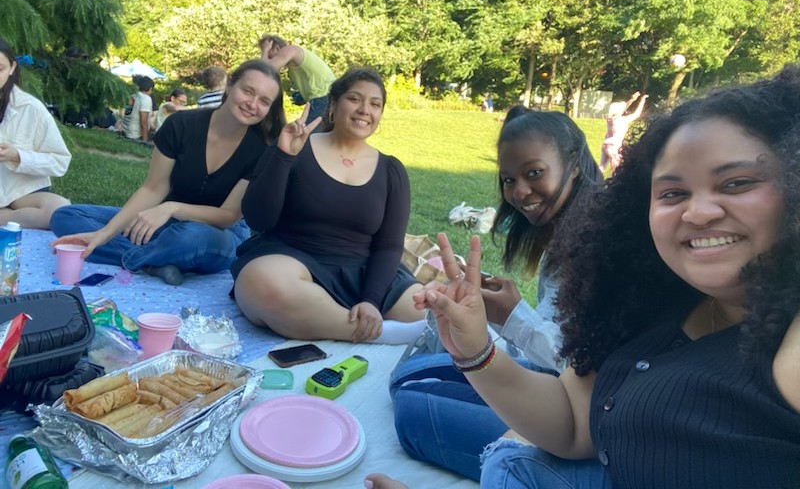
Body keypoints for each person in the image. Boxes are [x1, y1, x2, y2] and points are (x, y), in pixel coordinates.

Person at [413, 67, 800, 489]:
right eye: (672, 193)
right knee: (409, 383)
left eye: (736, 182)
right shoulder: (653, 298)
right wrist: (474, 350)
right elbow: (575, 423)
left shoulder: (787, 349)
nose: (699, 211)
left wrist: (514, 320)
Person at [390, 107, 603, 480]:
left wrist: (512, 318)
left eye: (534, 173)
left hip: (578, 417)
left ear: (574, 164)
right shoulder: (566, 233)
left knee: (410, 409)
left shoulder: (599, 246)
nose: (519, 191)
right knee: (406, 378)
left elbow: (580, 366)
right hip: (552, 384)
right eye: (508, 179)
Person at [50, 60, 285, 286]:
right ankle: (158, 262)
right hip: (165, 225)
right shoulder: (181, 125)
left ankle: (138, 258)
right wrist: (104, 233)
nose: (252, 104)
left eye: (264, 101)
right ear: (230, 84)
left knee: (190, 237)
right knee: (66, 217)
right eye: (248, 91)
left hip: (218, 235)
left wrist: (171, 208)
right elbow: (153, 188)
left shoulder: (262, 149)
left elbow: (228, 216)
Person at [232, 67, 424, 342]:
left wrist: (371, 299)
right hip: (292, 260)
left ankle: (349, 321)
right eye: (354, 99)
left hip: (362, 270)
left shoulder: (391, 170)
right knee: (262, 285)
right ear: (333, 104)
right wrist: (284, 156)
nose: (364, 110)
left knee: (428, 312)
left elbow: (389, 246)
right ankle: (379, 333)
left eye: (375, 104)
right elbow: (258, 219)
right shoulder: (295, 146)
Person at [0, 38, 71, 230]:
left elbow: (60, 161)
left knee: (58, 209)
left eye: (0, 69)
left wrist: (17, 156)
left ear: (12, 68)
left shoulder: (31, 108)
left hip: (20, 192)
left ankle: (4, 219)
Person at [258, 33, 335, 127]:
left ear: (277, 48)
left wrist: (264, 51)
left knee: (306, 135)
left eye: (269, 56)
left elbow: (264, 70)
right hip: (326, 96)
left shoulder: (291, 49)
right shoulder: (293, 66)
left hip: (323, 97)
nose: (268, 59)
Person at [599, 90, 648, 175]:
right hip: (615, 146)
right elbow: (637, 114)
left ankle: (592, 183)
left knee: (602, 166)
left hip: (606, 144)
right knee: (616, 169)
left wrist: (632, 100)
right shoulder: (623, 120)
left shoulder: (610, 119)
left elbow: (622, 109)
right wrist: (642, 101)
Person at [121, 75, 154, 143]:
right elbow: (143, 122)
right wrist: (145, 141)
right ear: (150, 88)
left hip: (125, 130)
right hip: (135, 135)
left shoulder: (132, 95)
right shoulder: (145, 99)